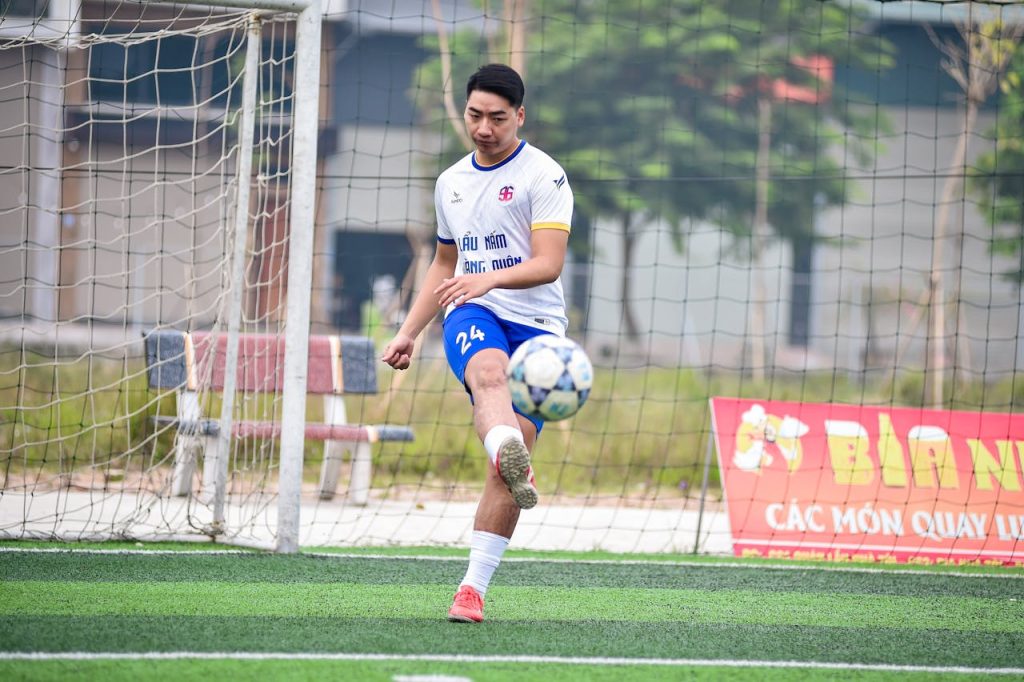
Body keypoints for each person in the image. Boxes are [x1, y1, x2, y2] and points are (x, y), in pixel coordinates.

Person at [380, 63, 573, 623]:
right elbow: (444, 263)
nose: (483, 128)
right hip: (472, 310)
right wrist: (409, 331)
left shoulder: (546, 176)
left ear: (519, 116)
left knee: (503, 474)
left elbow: (549, 264)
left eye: (496, 117)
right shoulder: (451, 183)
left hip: (537, 326)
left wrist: (487, 275)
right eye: (474, 115)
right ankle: (509, 454)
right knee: (488, 375)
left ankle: (472, 589)